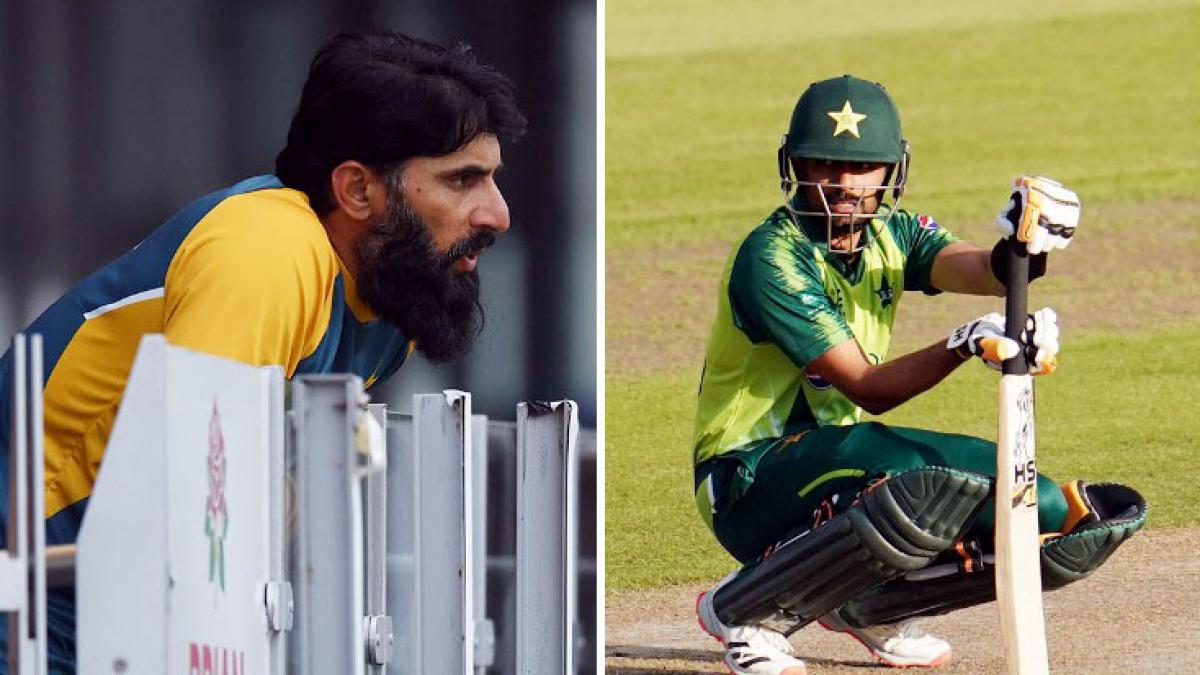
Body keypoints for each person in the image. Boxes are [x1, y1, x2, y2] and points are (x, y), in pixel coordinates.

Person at [0, 31, 526, 672]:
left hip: (104, 608)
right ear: (358, 191)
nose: (495, 213)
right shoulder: (269, 254)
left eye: (493, 179)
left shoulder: (391, 293)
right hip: (28, 595)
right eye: (462, 180)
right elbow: (204, 491)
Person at [690, 75, 1146, 674]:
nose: (845, 185)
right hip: (747, 475)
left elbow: (984, 270)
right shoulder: (771, 258)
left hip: (833, 464)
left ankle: (860, 604)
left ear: (891, 172)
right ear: (794, 165)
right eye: (824, 164)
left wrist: (1027, 246)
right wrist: (964, 344)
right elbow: (868, 389)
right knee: (914, 481)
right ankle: (743, 609)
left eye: (863, 168)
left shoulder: (892, 235)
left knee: (1031, 503)